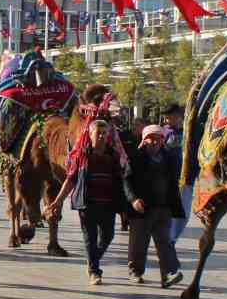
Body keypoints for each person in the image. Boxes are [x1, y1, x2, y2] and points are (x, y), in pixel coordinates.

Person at [47, 119, 129, 287]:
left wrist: (125, 205)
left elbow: (121, 180)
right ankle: (94, 271)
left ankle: (93, 260)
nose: (101, 136)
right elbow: (71, 179)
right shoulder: (82, 155)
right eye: (98, 133)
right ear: (90, 135)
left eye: (104, 133)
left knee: (108, 236)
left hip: (108, 204)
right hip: (87, 205)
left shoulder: (113, 155)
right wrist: (57, 201)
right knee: (90, 238)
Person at [125, 124, 184, 287]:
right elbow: (126, 181)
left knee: (165, 241)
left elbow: (173, 183)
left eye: (158, 139)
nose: (154, 142)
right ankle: (135, 272)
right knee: (138, 243)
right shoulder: (136, 157)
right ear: (144, 140)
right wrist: (133, 200)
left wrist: (174, 206)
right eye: (150, 139)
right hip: (142, 208)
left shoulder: (168, 158)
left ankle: (168, 274)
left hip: (163, 208)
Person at [162, 103, 190, 243]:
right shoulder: (163, 132)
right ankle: (168, 240)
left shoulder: (188, 133)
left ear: (179, 117)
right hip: (167, 179)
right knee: (169, 212)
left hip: (185, 179)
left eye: (169, 118)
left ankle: (172, 238)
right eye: (165, 118)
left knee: (184, 214)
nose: (167, 121)